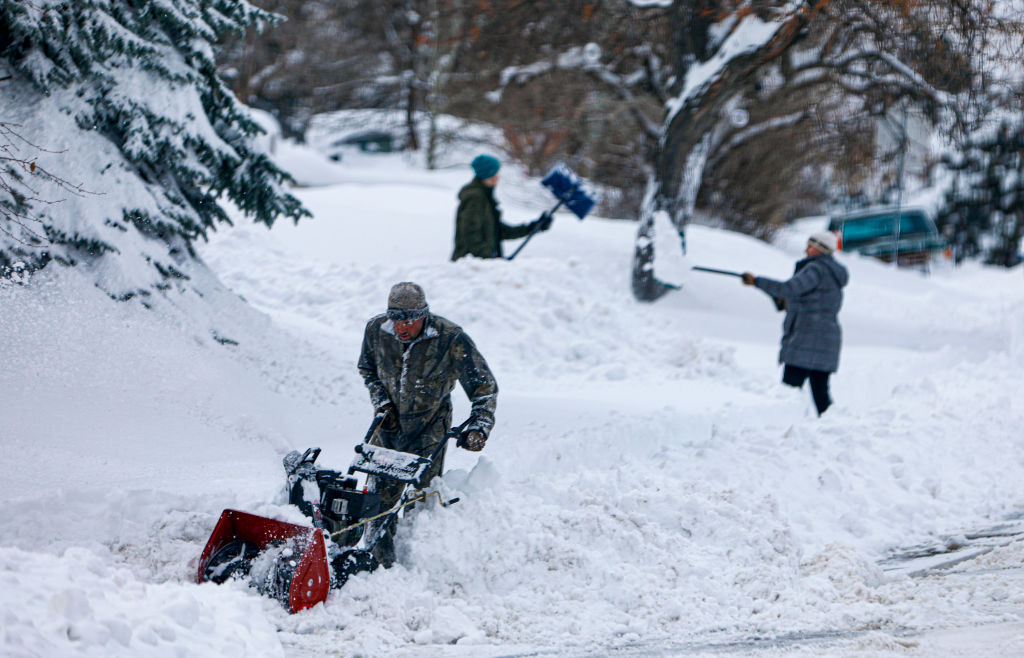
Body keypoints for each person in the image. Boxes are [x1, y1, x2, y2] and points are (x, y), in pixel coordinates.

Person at [357, 281, 498, 565]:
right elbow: (367, 369)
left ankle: (415, 561)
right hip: (388, 424)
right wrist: (381, 403)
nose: (402, 327)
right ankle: (376, 561)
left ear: (424, 315)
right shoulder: (376, 331)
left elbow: (485, 387)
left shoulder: (450, 338)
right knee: (379, 497)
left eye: (409, 320)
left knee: (419, 497)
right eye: (396, 319)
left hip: (430, 426)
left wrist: (479, 425)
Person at [741, 230, 849, 416]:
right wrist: (782, 300)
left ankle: (785, 423)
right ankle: (833, 427)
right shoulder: (831, 272)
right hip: (826, 338)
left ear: (821, 249)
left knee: (789, 390)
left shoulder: (816, 269)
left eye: (810, 246)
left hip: (807, 337)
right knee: (820, 393)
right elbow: (808, 298)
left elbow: (788, 289)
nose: (806, 250)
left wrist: (757, 282)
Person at [451, 154, 552, 261]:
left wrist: (532, 227)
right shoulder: (475, 197)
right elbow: (469, 233)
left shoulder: (485, 196)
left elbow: (498, 230)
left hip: (480, 264)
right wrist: (488, 256)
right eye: (494, 173)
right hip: (471, 266)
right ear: (486, 175)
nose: (497, 177)